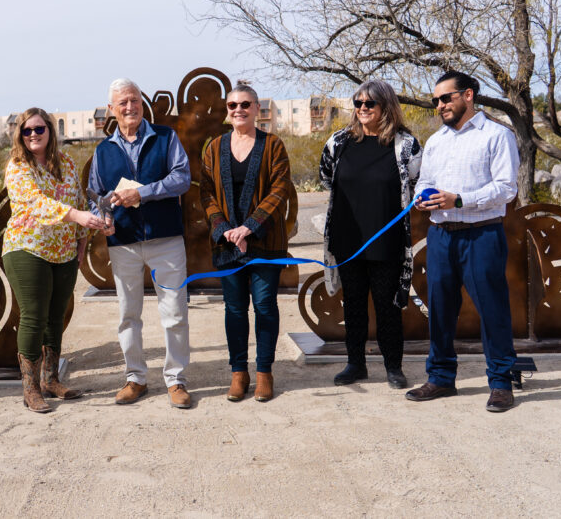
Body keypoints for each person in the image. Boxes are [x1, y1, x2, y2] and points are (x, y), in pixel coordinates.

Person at [409, 70, 519, 413]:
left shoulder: (498, 135)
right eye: (436, 100)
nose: (440, 105)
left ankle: (500, 382)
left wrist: (459, 200)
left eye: (446, 98)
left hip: (482, 233)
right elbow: (424, 180)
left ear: (468, 95)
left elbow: (506, 188)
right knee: (439, 309)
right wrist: (422, 196)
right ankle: (441, 378)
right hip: (440, 236)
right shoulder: (437, 141)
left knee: (492, 310)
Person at [87, 78, 193, 408]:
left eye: (134, 100)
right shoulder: (102, 151)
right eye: (123, 103)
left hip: (166, 239)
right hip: (124, 242)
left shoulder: (166, 137)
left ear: (141, 103)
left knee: (175, 312)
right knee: (127, 314)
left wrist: (142, 192)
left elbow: (182, 178)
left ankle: (176, 380)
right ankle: (136, 378)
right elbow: (96, 197)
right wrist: (102, 217)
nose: (130, 107)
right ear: (111, 110)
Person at [2, 108, 107, 413]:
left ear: (50, 130)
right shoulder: (17, 166)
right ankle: (30, 388)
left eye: (39, 129)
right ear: (19, 135)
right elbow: (37, 203)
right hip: (27, 247)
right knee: (34, 315)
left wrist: (82, 240)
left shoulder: (67, 163)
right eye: (27, 131)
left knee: (56, 316)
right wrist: (77, 217)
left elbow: (77, 199)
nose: (33, 135)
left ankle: (51, 379)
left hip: (64, 250)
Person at [319, 81, 422, 389]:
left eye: (370, 103)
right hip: (347, 238)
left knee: (387, 305)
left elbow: (418, 182)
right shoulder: (339, 141)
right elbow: (326, 178)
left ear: (385, 107)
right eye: (358, 102)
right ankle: (356, 364)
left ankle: (393, 366)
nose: (362, 108)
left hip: (386, 241)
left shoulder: (406, 144)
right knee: (352, 304)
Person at [200, 82, 294, 402]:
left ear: (257, 109)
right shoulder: (214, 148)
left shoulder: (274, 145)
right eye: (232, 105)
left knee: (265, 306)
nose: (238, 110)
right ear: (227, 111)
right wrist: (225, 228)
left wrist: (250, 227)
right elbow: (207, 193)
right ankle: (238, 372)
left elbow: (279, 190)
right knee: (235, 309)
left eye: (245, 104)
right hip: (228, 243)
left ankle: (264, 372)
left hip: (264, 243)